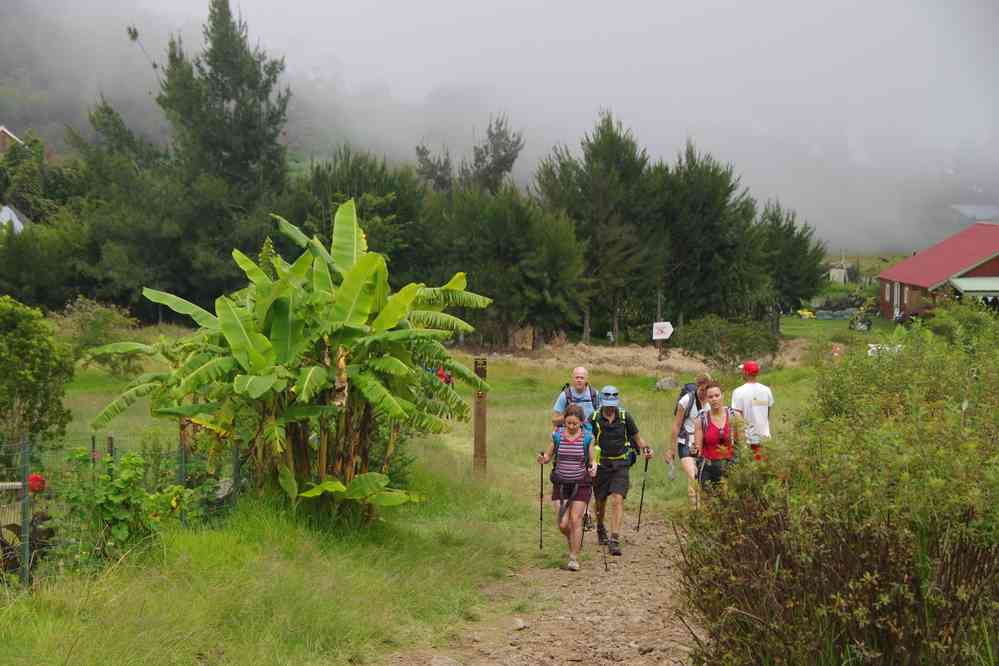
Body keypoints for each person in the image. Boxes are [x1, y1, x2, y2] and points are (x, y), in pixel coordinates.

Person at [590, 385, 653, 556]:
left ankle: (614, 539)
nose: (611, 408)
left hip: (621, 464)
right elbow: (588, 441)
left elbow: (637, 438)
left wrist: (646, 449)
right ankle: (600, 526)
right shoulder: (594, 418)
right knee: (600, 502)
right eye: (608, 404)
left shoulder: (625, 417)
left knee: (618, 498)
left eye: (613, 404)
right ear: (602, 402)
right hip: (601, 465)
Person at [537, 404, 596, 571]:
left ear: (581, 422)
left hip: (580, 484)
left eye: (574, 424)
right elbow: (549, 455)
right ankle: (573, 543)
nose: (571, 426)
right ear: (564, 421)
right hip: (560, 484)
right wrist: (543, 458)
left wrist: (593, 466)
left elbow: (591, 460)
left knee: (575, 520)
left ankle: (574, 557)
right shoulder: (557, 435)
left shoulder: (587, 437)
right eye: (568, 423)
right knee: (563, 524)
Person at [666, 374, 711, 508]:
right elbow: (676, 425)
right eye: (702, 390)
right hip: (685, 442)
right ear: (697, 387)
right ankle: (695, 513)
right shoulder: (686, 400)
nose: (704, 393)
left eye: (706, 390)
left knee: (702, 479)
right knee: (693, 476)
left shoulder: (711, 399)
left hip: (703, 444)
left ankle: (699, 511)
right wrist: (671, 449)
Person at [693, 381, 744, 491]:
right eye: (710, 397)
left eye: (717, 395)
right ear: (706, 399)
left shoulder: (735, 416)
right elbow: (698, 449)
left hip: (730, 466)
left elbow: (742, 444)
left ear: (722, 396)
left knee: (730, 502)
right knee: (711, 503)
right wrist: (693, 452)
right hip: (708, 468)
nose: (714, 399)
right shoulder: (701, 419)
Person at [731, 361, 773, 459]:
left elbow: (738, 417)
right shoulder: (766, 390)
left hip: (747, 440)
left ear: (746, 373)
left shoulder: (738, 391)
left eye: (742, 370)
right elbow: (768, 414)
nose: (741, 372)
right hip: (764, 437)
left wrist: (740, 441)